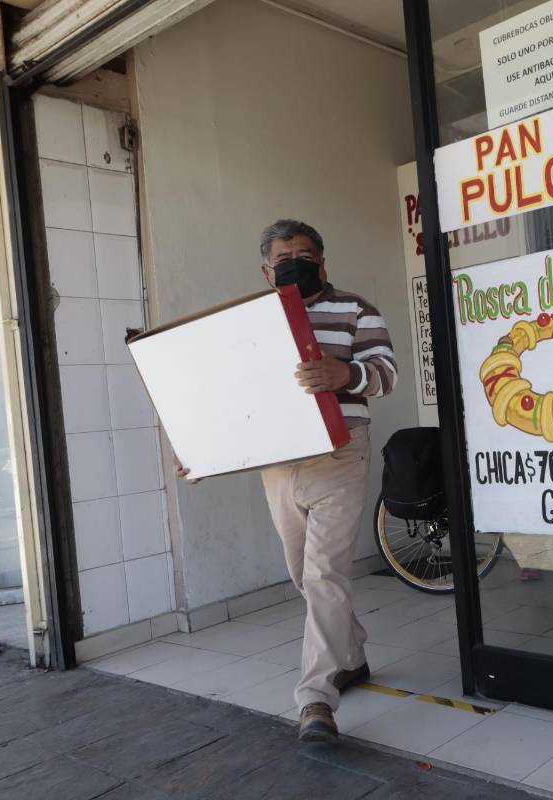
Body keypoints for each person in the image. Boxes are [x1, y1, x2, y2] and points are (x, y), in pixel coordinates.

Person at [175, 219, 396, 743]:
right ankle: (353, 656)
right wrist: (203, 450)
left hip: (339, 454)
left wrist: (346, 374)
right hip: (277, 462)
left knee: (323, 576)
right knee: (304, 573)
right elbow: (233, 394)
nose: (294, 261)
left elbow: (385, 371)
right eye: (283, 257)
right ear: (265, 269)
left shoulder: (356, 309)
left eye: (304, 253)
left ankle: (316, 699)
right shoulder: (254, 321)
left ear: (323, 259)